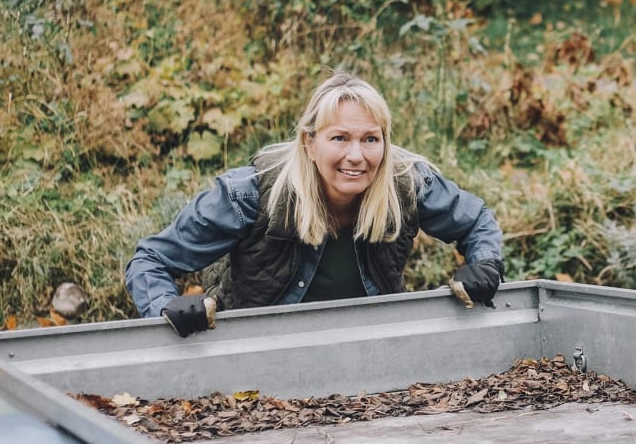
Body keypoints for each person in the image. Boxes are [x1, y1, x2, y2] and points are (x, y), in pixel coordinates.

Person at [126, 71, 505, 336]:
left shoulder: (407, 183)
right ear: (309, 142)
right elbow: (151, 259)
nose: (356, 155)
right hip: (256, 356)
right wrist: (165, 304)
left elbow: (476, 222)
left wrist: (485, 264)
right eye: (339, 138)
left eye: (370, 139)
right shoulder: (250, 193)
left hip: (372, 350)